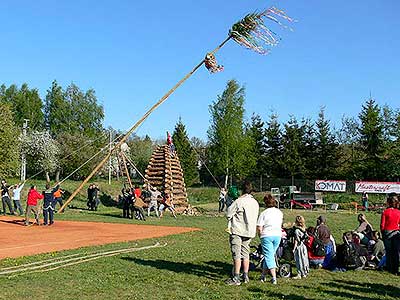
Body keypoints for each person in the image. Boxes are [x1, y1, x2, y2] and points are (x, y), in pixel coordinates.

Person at [226, 181, 259, 286]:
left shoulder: (239, 201)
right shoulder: (255, 202)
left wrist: (229, 202)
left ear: (242, 190)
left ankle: (236, 277)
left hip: (238, 231)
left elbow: (228, 214)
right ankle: (245, 275)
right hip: (249, 232)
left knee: (236, 254)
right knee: (245, 254)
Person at [256, 194, 283, 285]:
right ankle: (263, 276)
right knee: (269, 256)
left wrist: (260, 236)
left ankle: (274, 278)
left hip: (267, 235)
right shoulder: (279, 212)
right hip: (277, 235)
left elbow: (259, 227)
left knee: (269, 257)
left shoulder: (264, 213)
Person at [380, 193, 400, 274]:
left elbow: (382, 225)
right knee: (396, 251)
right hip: (396, 231)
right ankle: (395, 268)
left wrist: (382, 233)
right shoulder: (399, 212)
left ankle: (389, 267)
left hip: (387, 232)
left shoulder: (385, 212)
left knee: (389, 251)